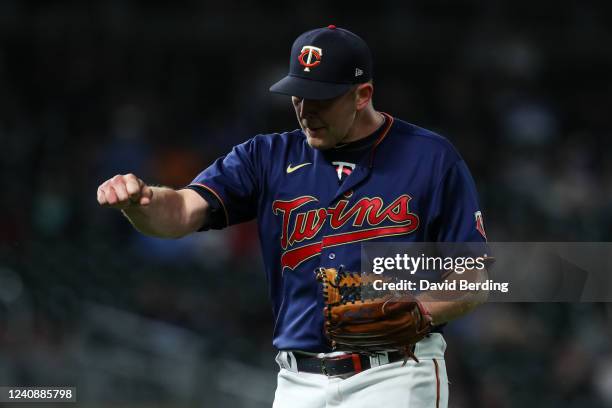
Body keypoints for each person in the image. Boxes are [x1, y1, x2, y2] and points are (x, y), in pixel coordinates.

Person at [97, 25, 488, 408]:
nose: (306, 111)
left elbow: (474, 275)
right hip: (297, 381)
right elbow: (181, 211)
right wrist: (142, 202)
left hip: (394, 374)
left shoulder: (430, 158)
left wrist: (417, 308)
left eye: (321, 99)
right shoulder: (266, 157)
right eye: (298, 96)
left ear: (362, 94)